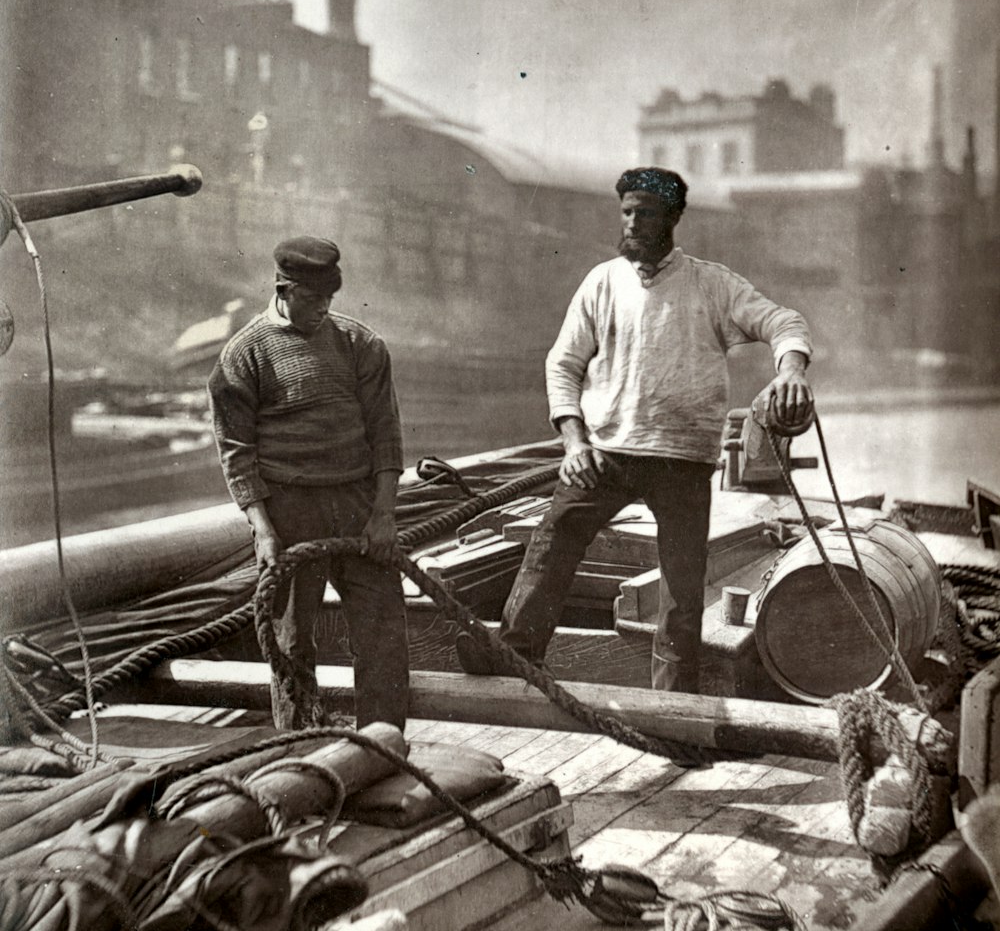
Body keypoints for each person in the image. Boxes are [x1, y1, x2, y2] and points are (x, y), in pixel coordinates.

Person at [456, 167, 813, 693]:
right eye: (626, 212)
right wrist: (574, 440)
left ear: (672, 217)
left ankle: (672, 706)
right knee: (551, 543)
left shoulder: (712, 284)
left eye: (644, 213)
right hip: (604, 454)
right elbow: (563, 365)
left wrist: (791, 370)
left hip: (683, 462)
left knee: (682, 591)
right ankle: (517, 654)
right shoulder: (602, 282)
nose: (632, 223)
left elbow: (784, 322)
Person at [208, 235, 408, 730]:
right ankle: (299, 753)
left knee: (383, 633)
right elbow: (236, 453)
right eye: (312, 299)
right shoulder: (243, 355)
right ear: (283, 288)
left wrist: (383, 514)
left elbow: (386, 435)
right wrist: (264, 530)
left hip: (358, 503)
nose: (323, 309)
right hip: (289, 509)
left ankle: (384, 747)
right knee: (291, 641)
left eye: (329, 300)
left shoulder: (361, 344)